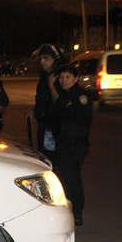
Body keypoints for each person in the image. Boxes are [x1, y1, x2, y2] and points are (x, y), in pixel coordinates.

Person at [49, 65, 93, 226]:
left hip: (76, 144)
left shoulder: (80, 95)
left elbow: (75, 118)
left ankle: (77, 213)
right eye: (61, 77)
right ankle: (70, 211)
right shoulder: (66, 94)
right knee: (66, 178)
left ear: (76, 78)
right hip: (64, 143)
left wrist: (51, 87)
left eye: (67, 77)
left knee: (72, 178)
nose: (63, 80)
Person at [33, 43, 67, 161]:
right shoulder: (44, 76)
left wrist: (52, 86)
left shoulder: (62, 77)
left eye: (46, 58)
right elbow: (41, 98)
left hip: (56, 127)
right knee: (44, 158)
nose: (42, 61)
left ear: (56, 59)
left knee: (54, 161)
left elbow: (61, 103)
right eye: (41, 58)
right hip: (45, 125)